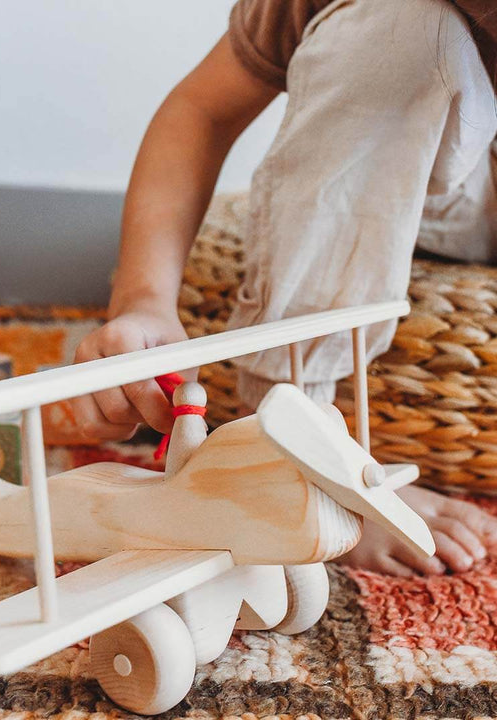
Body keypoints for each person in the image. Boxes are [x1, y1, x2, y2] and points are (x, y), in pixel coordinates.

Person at [70, 0, 497, 576]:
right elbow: (201, 109)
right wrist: (143, 300)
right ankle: (296, 446)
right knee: (399, 24)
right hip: (453, 177)